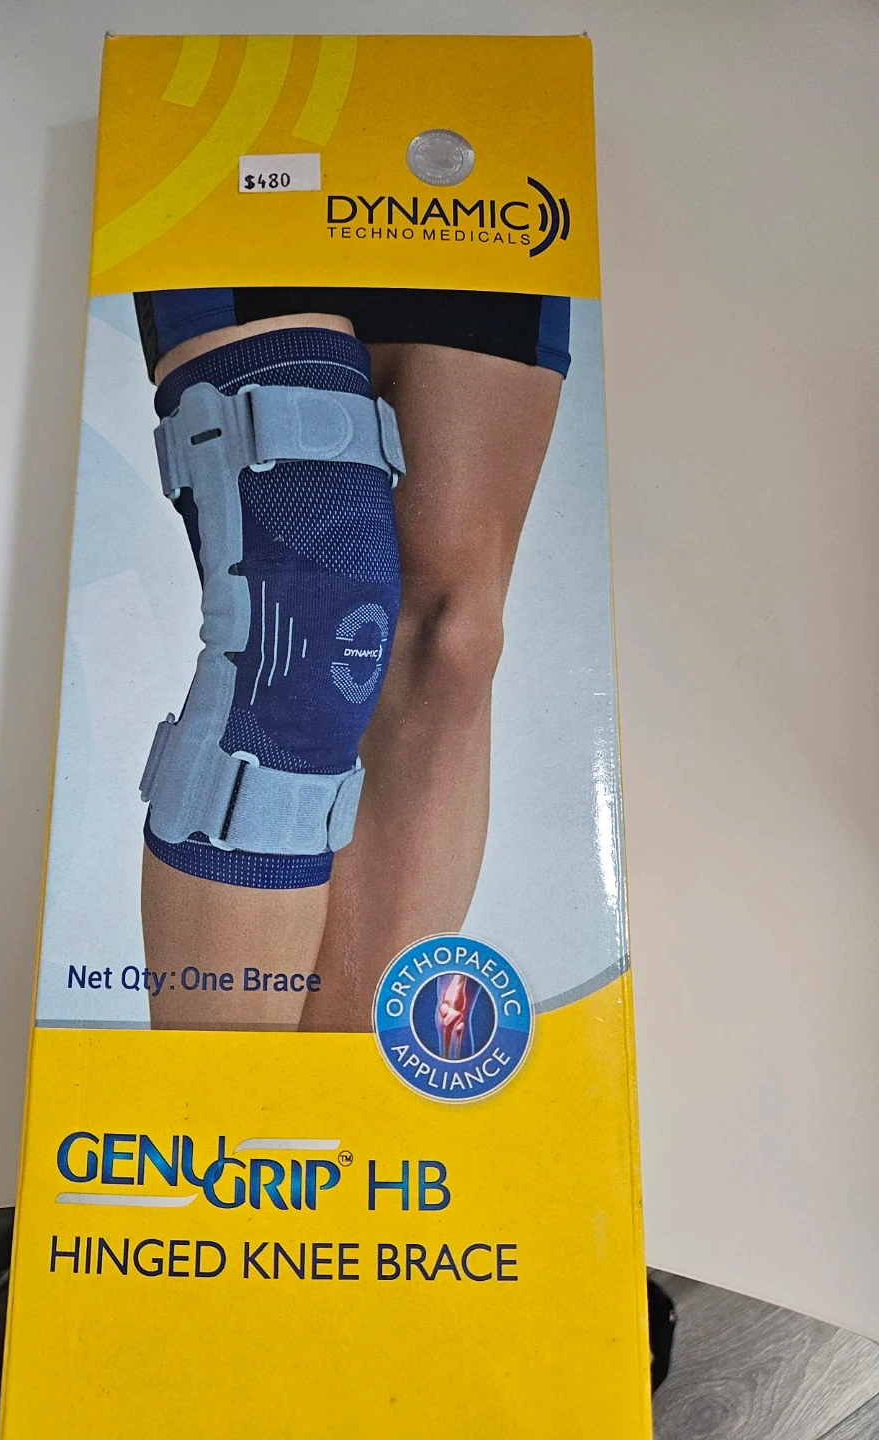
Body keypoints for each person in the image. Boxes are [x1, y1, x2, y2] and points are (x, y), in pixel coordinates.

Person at [134, 286, 569, 1032]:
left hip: (470, 222)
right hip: (257, 211)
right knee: (303, 630)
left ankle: (344, 1087)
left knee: (450, 638)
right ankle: (222, 1095)